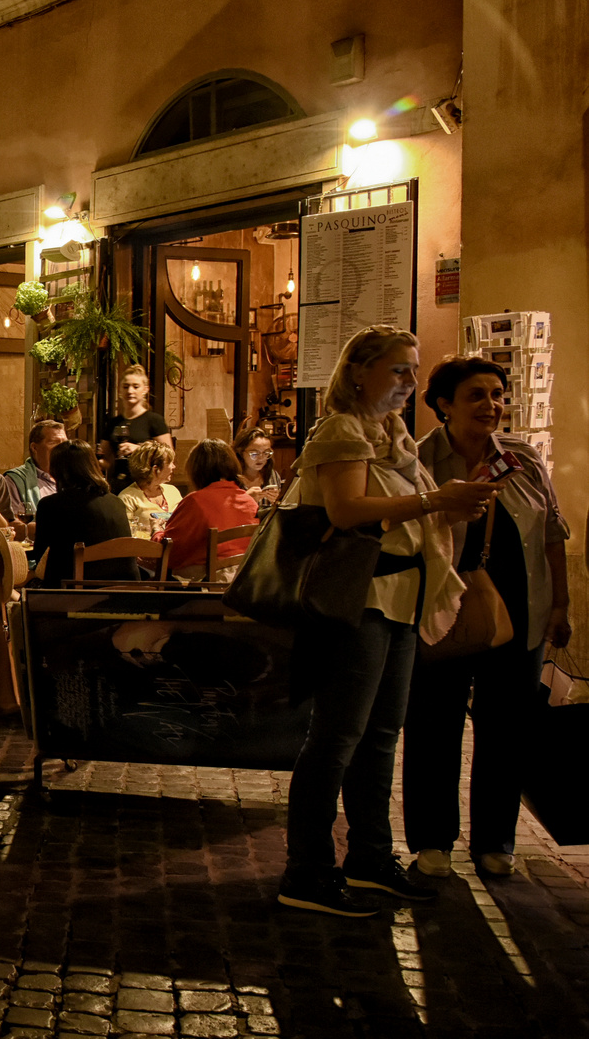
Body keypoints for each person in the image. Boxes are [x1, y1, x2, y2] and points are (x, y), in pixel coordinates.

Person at [277, 325, 496, 918]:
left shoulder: (394, 436)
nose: (408, 383)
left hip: (399, 598)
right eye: (398, 370)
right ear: (358, 372)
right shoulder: (343, 429)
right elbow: (347, 510)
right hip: (358, 601)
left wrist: (452, 503)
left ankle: (369, 857)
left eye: (413, 371)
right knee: (337, 736)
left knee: (379, 737)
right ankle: (307, 869)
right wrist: (434, 500)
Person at [404, 356, 572, 880]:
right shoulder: (416, 461)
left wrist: (561, 605)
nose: (491, 405)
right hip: (442, 612)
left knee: (506, 729)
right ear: (443, 405)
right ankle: (432, 840)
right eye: (476, 395)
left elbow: (552, 533)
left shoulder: (522, 459)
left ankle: (495, 840)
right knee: (434, 725)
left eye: (498, 395)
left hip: (520, 613)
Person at [28, 440, 135, 587]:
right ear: (92, 466)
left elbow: (40, 556)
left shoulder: (51, 505)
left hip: (73, 596)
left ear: (56, 470)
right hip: (122, 594)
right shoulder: (117, 502)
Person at [159, 439, 260, 580]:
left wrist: (156, 531)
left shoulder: (196, 501)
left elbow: (170, 554)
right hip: (243, 584)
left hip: (205, 586)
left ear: (196, 469)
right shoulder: (249, 501)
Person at [98, 364, 172, 494]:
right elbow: (107, 460)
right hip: (117, 487)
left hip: (145, 488)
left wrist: (139, 450)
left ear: (145, 390)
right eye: (126, 387)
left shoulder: (154, 420)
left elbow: (167, 456)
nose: (130, 391)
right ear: (120, 390)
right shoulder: (113, 423)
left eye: (135, 386)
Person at [0, 418, 66, 531]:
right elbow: (13, 526)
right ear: (34, 448)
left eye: (64, 443)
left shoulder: (72, 478)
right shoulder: (15, 480)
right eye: (53, 442)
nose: (62, 449)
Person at [117, 441, 181, 538]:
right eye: (170, 463)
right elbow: (127, 535)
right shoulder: (127, 498)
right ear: (156, 469)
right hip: (145, 550)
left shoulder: (173, 491)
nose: (174, 467)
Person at [233, 425, 284, 518]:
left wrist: (277, 501)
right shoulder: (231, 477)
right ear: (240, 452)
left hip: (265, 529)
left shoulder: (272, 475)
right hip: (240, 530)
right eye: (254, 453)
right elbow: (224, 512)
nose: (261, 458)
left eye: (266, 453)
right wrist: (245, 500)